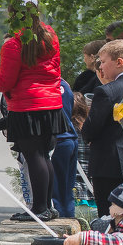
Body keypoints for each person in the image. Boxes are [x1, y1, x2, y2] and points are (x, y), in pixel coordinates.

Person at [0, 0, 63, 221]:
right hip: (52, 103)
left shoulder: (14, 43)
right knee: (44, 155)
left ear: (12, 15)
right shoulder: (49, 36)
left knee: (33, 156)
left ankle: (39, 209)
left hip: (27, 106)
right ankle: (47, 206)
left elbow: (3, 82)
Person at [80, 38, 123, 216]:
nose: (99, 68)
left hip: (109, 164)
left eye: (102, 62)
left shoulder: (107, 91)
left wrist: (87, 135)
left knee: (108, 215)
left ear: (119, 62)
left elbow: (91, 127)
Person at [51, 79, 78, 219]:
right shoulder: (65, 84)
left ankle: (60, 226)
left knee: (56, 191)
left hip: (58, 140)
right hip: (70, 138)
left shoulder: (47, 83)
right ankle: (69, 220)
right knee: (67, 192)